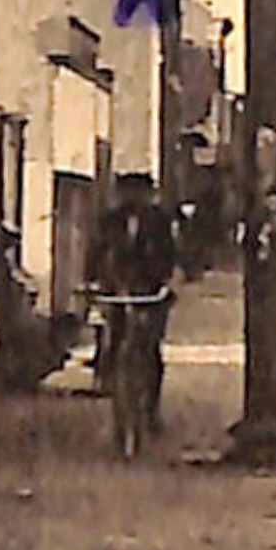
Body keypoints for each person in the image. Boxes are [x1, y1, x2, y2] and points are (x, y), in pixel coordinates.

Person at [85, 172, 180, 432]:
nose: (133, 199)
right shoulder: (110, 221)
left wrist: (167, 284)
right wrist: (92, 281)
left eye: (139, 193)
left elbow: (169, 256)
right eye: (128, 193)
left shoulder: (159, 221)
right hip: (118, 289)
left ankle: (150, 408)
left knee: (149, 346)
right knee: (114, 338)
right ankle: (110, 380)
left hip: (151, 291)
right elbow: (96, 252)